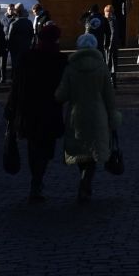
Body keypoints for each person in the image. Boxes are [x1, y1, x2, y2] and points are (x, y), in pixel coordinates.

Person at [5, 22, 67, 201]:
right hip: (50, 111)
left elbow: (16, 85)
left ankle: (36, 179)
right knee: (47, 148)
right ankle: (38, 179)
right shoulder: (60, 61)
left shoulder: (27, 57)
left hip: (29, 110)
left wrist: (11, 107)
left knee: (33, 146)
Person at [57, 33, 118, 204]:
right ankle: (85, 183)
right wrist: (113, 116)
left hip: (76, 114)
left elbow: (62, 94)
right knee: (93, 151)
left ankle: (84, 180)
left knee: (80, 150)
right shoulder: (102, 67)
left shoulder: (71, 68)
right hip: (98, 114)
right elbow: (109, 96)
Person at [5, 3, 35, 80]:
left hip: (15, 49)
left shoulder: (14, 23)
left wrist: (8, 47)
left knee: (15, 65)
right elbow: (32, 34)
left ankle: (15, 80)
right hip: (26, 47)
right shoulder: (29, 22)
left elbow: (10, 37)